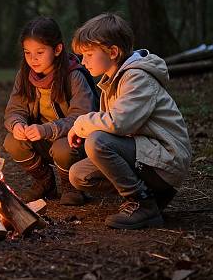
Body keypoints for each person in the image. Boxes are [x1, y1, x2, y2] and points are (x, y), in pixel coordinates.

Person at [68, 13, 192, 229]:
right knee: (79, 175)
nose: (83, 61)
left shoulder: (137, 77)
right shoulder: (113, 80)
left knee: (97, 141)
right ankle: (153, 196)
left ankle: (142, 203)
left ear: (113, 52)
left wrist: (81, 124)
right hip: (147, 155)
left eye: (88, 54)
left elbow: (119, 123)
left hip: (167, 159)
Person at [3, 16, 98, 205]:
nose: (33, 59)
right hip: (42, 138)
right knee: (12, 141)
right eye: (27, 53)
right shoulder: (25, 76)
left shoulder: (74, 75)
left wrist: (46, 130)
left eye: (39, 52)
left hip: (75, 141)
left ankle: (71, 185)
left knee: (63, 148)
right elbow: (14, 109)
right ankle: (45, 182)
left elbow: (82, 118)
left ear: (57, 49)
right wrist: (17, 124)